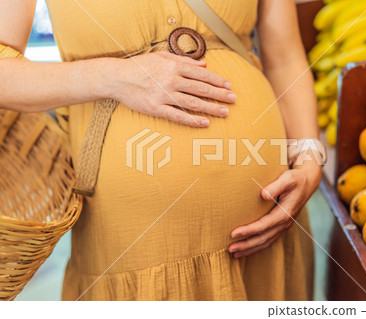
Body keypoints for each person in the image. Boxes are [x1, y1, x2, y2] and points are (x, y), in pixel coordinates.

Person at [0, 0, 322, 300]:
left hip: (269, 228)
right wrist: (113, 76)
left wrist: (310, 159)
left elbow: (284, 56)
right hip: (134, 243)